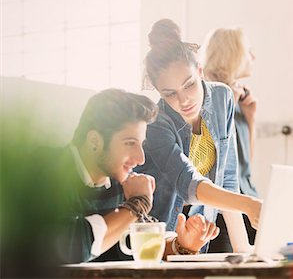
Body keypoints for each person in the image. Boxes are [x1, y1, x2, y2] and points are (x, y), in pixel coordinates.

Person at [1, 89, 219, 277]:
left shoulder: (118, 183)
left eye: (141, 144)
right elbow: (72, 245)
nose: (141, 158)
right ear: (95, 141)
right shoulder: (47, 169)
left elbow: (137, 241)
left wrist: (183, 245)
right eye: (129, 143)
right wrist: (137, 204)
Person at [137, 19, 262, 253]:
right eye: (170, 93)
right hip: (162, 232)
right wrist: (250, 204)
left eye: (189, 85)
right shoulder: (156, 123)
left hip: (199, 229)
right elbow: (187, 183)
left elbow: (229, 179)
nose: (184, 100)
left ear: (200, 71)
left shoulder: (222, 97)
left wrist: (244, 250)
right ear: (158, 91)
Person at [200, 27, 258, 250]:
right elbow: (213, 164)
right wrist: (227, 107)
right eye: (248, 51)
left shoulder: (242, 96)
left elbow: (245, 164)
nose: (253, 57)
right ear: (233, 53)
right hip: (222, 206)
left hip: (247, 197)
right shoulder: (208, 95)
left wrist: (250, 119)